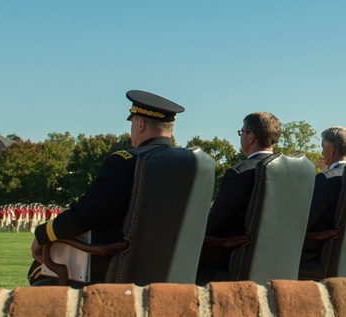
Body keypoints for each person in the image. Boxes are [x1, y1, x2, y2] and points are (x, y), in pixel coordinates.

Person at [28, 89, 185, 285]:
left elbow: (84, 215)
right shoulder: (190, 166)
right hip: (172, 272)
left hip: (115, 268)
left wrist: (42, 234)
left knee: (37, 272)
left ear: (141, 124)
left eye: (133, 123)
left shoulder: (125, 162)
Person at [196, 111, 281, 285]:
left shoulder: (239, 173)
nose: (241, 136)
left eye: (241, 132)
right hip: (279, 260)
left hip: (232, 260)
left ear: (250, 137)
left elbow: (214, 227)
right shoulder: (294, 174)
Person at [301, 126, 346, 264]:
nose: (321, 152)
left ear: (331, 148)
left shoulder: (326, 179)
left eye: (322, 147)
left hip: (318, 253)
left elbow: (308, 220)